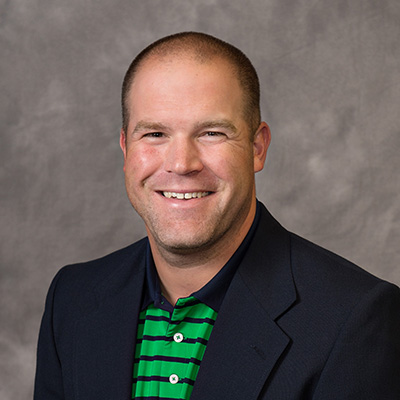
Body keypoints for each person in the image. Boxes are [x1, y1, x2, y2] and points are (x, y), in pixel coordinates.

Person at [34, 32, 400, 400]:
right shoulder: (72, 299)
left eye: (211, 133)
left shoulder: (353, 319)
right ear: (126, 147)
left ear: (257, 148)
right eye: (155, 133)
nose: (181, 163)